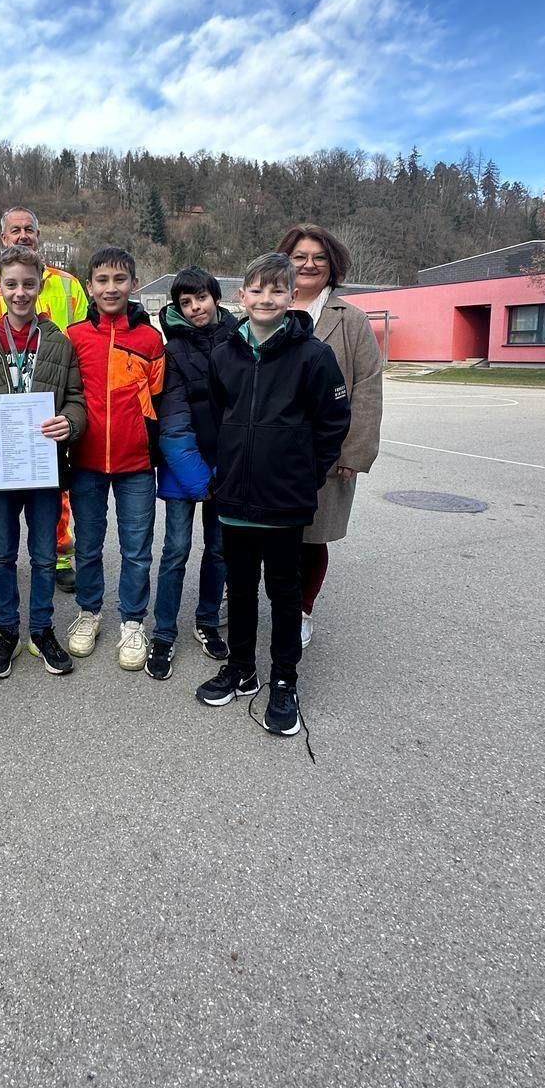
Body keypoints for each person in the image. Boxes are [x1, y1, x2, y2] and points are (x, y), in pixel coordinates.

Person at [196, 252, 350, 737]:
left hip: (285, 503)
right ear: (241, 296)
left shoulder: (313, 356)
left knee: (283, 594)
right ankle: (242, 667)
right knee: (239, 590)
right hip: (236, 499)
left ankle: (284, 679)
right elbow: (215, 415)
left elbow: (332, 424)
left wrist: (305, 475)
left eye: (276, 290)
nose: (266, 299)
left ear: (291, 296)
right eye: (256, 290)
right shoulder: (224, 352)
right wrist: (223, 467)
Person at [0, 247, 88, 679]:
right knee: (2, 555)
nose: (20, 293)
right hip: (0, 467)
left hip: (45, 466)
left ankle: (42, 628)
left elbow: (76, 400)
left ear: (40, 286)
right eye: (11, 284)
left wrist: (69, 423)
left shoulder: (58, 341)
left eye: (28, 284)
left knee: (44, 554)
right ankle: (7, 631)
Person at [275, 224, 383, 648]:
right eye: (300, 256)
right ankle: (243, 597)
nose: (308, 264)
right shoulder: (266, 307)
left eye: (318, 257)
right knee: (259, 534)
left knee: (311, 536)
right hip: (269, 449)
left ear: (332, 265)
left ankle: (301, 610)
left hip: (324, 452)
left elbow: (368, 388)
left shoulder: (350, 320)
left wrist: (352, 453)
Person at [64, 246, 166, 671]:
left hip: (136, 465)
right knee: (86, 547)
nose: (111, 288)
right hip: (85, 461)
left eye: (119, 280)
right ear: (89, 286)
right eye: (102, 280)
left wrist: (155, 451)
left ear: (133, 284)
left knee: (137, 549)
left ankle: (132, 620)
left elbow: (160, 400)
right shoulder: (72, 336)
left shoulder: (149, 339)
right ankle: (89, 612)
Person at [146, 267, 236, 682]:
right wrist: (202, 482)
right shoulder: (172, 351)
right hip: (186, 468)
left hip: (229, 467)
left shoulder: (239, 340)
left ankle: (206, 619)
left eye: (201, 298)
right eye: (185, 302)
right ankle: (163, 632)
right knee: (176, 550)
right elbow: (174, 423)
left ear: (215, 297)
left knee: (219, 550)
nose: (196, 307)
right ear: (177, 308)